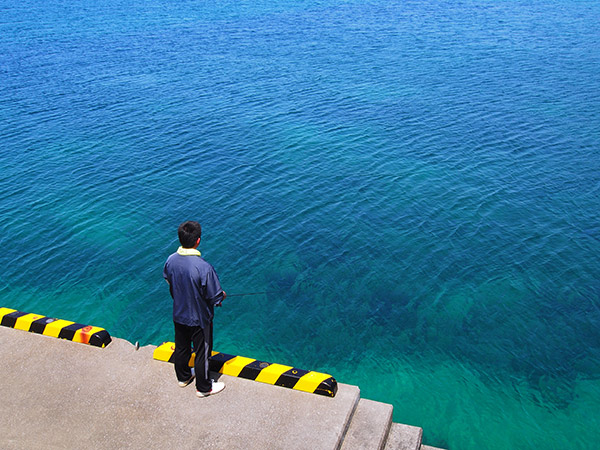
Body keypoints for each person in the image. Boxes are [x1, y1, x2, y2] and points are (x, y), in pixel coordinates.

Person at [163, 220, 226, 397]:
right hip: (199, 318)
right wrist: (222, 295)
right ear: (198, 240)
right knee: (202, 352)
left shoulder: (170, 260)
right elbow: (215, 296)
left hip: (178, 313)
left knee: (181, 347)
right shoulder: (204, 267)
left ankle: (183, 378)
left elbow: (169, 280)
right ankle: (204, 387)